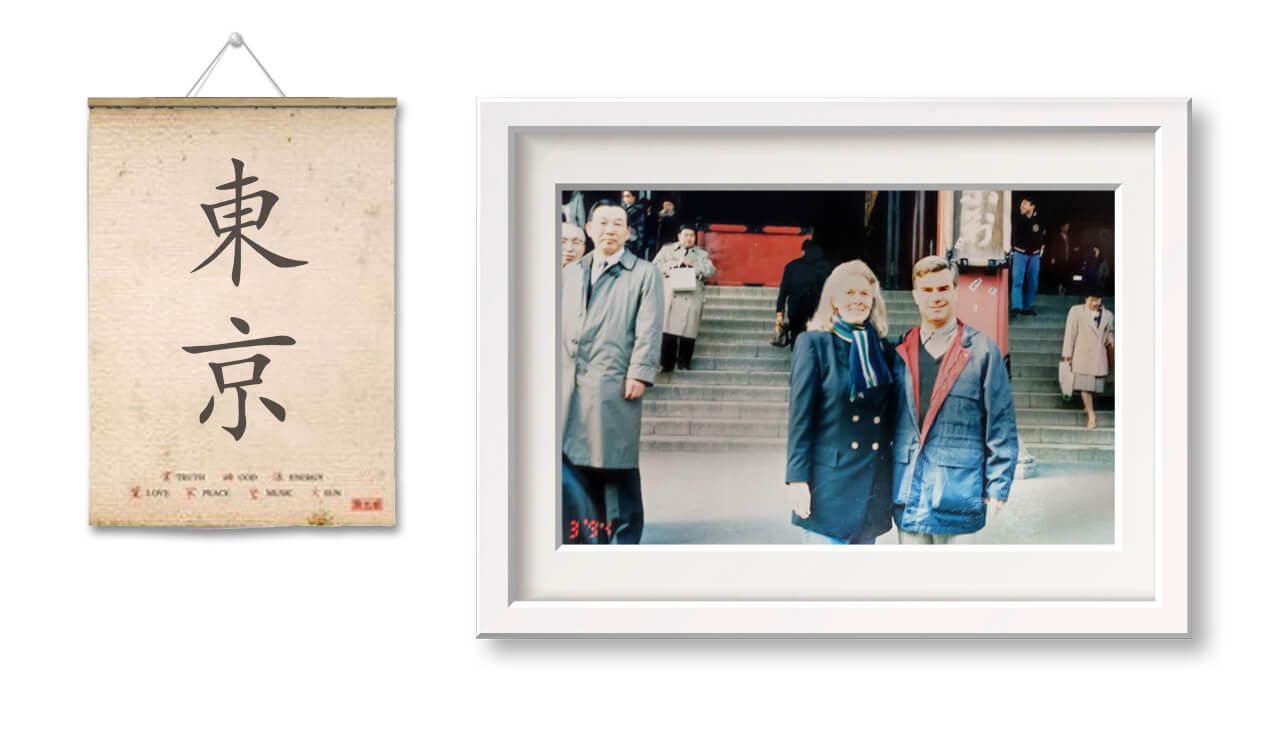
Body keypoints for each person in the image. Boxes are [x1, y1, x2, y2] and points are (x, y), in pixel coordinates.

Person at [891, 255, 1019, 543]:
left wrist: (998, 483)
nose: (935, 297)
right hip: (909, 491)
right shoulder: (899, 350)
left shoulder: (982, 351)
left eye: (943, 288)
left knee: (956, 585)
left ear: (955, 290)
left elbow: (1001, 422)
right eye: (927, 290)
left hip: (959, 491)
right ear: (915, 295)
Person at [560, 199, 664, 544]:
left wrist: (640, 371)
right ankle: (583, 534)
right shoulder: (571, 272)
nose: (609, 229)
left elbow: (649, 327)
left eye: (617, 223)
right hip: (569, 381)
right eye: (602, 223)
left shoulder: (644, 273)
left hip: (614, 379)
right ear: (589, 229)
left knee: (615, 462)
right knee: (573, 461)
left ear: (628, 232)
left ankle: (623, 537)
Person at [786, 260, 897, 544]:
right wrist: (797, 480)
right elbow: (800, 421)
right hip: (829, 487)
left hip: (870, 484)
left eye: (864, 293)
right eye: (849, 293)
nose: (857, 300)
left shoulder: (883, 349)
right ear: (833, 299)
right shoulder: (814, 344)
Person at [653, 225, 716, 372]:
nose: (689, 238)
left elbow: (710, 270)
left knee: (689, 330)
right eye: (686, 235)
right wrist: (672, 265)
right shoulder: (667, 250)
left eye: (692, 236)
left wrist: (693, 266)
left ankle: (684, 362)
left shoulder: (701, 254)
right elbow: (655, 265)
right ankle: (666, 363)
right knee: (668, 330)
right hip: (671, 294)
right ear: (679, 236)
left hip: (692, 295)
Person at [1061, 291, 1114, 429]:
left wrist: (1111, 341)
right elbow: (1070, 333)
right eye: (1091, 300)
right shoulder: (1076, 311)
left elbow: (1110, 332)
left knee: (1094, 388)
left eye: (1097, 300)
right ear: (1086, 299)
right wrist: (1067, 354)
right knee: (1085, 387)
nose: (1094, 303)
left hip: (1098, 355)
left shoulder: (1108, 315)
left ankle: (1088, 406)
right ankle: (1091, 416)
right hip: (1082, 354)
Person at [775, 239, 832, 349]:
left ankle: (797, 359)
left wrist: (780, 312)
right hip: (816, 310)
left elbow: (783, 291)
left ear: (803, 251)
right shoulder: (824, 267)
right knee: (814, 339)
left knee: (796, 337)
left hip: (796, 309)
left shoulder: (791, 266)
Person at [1011, 197, 1046, 315]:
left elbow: (1043, 235)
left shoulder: (1039, 219)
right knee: (1017, 280)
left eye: (1025, 204)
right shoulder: (1018, 218)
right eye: (1021, 204)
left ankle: (1027, 306)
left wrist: (1041, 247)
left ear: (1032, 206)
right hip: (1020, 253)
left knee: (1033, 282)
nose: (1021, 206)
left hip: (1034, 256)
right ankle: (1016, 306)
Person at [621, 190, 648, 259]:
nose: (625, 199)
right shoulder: (624, 208)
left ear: (634, 197)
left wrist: (639, 246)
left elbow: (640, 229)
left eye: (628, 196)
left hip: (633, 242)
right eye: (624, 196)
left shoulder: (637, 209)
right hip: (625, 240)